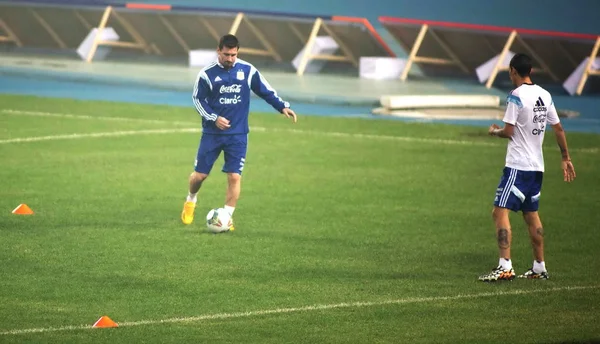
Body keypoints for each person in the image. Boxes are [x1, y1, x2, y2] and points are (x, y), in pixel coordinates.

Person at [181, 34, 297, 228]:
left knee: (234, 176)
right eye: (226, 54)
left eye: (233, 55)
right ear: (218, 51)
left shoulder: (248, 70)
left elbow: (265, 90)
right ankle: (190, 200)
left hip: (238, 134)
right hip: (212, 134)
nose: (230, 59)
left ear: (238, 52)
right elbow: (198, 100)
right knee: (200, 176)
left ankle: (226, 217)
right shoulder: (206, 74)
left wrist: (281, 106)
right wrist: (214, 118)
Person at [478, 53, 576, 282]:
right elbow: (559, 128)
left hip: (517, 166)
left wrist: (494, 132)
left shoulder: (515, 96)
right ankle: (539, 267)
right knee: (531, 215)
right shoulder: (545, 94)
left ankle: (505, 267)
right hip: (536, 168)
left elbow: (509, 131)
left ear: (513, 70)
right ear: (530, 71)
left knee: (499, 212)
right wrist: (565, 157)